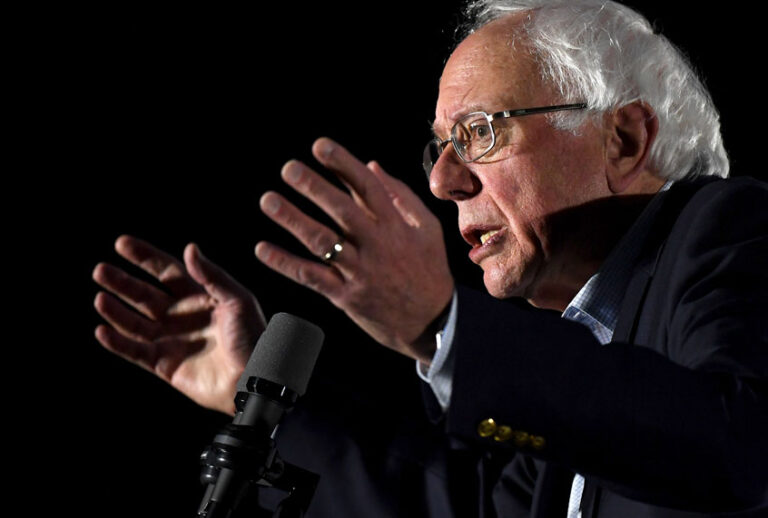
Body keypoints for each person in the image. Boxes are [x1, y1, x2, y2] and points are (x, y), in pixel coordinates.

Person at [93, 1, 767, 516]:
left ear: (622, 139)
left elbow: (738, 446)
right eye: (440, 146)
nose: (444, 181)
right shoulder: (574, 363)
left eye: (479, 133)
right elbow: (451, 506)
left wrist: (441, 327)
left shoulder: (732, 230)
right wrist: (257, 393)